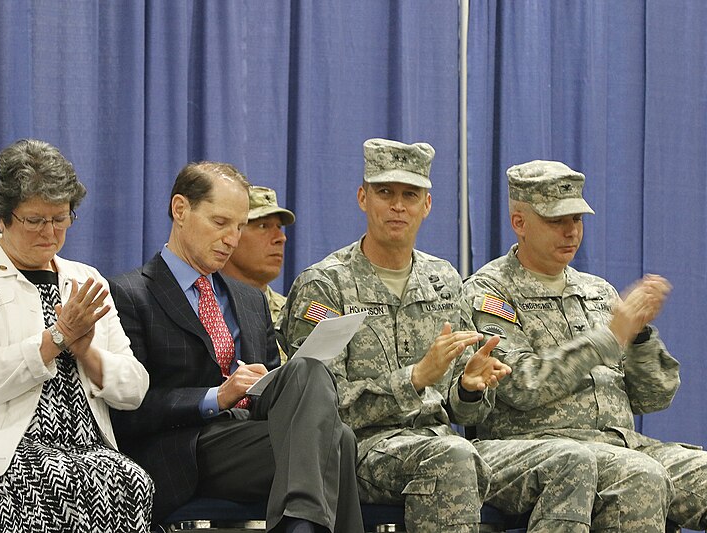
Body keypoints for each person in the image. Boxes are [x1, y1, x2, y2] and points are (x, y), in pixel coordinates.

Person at [279, 139, 598, 533]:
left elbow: (466, 414)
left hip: (448, 445)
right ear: (363, 198)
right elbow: (318, 409)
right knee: (450, 457)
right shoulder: (326, 286)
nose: (398, 206)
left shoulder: (443, 280)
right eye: (385, 193)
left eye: (410, 195)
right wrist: (413, 379)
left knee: (572, 460)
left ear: (426, 206)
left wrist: (469, 388)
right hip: (359, 451)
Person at [108, 161, 364, 533]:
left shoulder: (249, 299)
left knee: (315, 388)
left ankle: (301, 524)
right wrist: (216, 396)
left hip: (251, 434)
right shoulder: (130, 294)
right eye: (220, 223)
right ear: (180, 210)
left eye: (240, 226)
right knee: (337, 442)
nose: (232, 237)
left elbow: (271, 390)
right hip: (188, 447)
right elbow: (130, 410)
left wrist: (263, 386)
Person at [0, 139, 154, 533]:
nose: (50, 232)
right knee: (50, 482)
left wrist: (88, 353)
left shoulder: (86, 280)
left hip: (86, 445)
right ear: (2, 217)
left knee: (131, 480)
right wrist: (57, 337)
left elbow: (134, 389)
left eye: (61, 218)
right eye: (35, 220)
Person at [462, 159, 707, 532]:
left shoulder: (597, 291)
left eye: (576, 219)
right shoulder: (489, 292)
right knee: (639, 477)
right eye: (556, 221)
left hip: (623, 444)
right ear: (520, 223)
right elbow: (521, 385)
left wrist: (638, 336)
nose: (570, 231)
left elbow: (653, 398)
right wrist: (609, 337)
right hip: (541, 448)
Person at [222, 185, 295, 363]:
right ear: (232, 233)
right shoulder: (206, 308)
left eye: (279, 226)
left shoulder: (291, 311)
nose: (281, 237)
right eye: (263, 226)